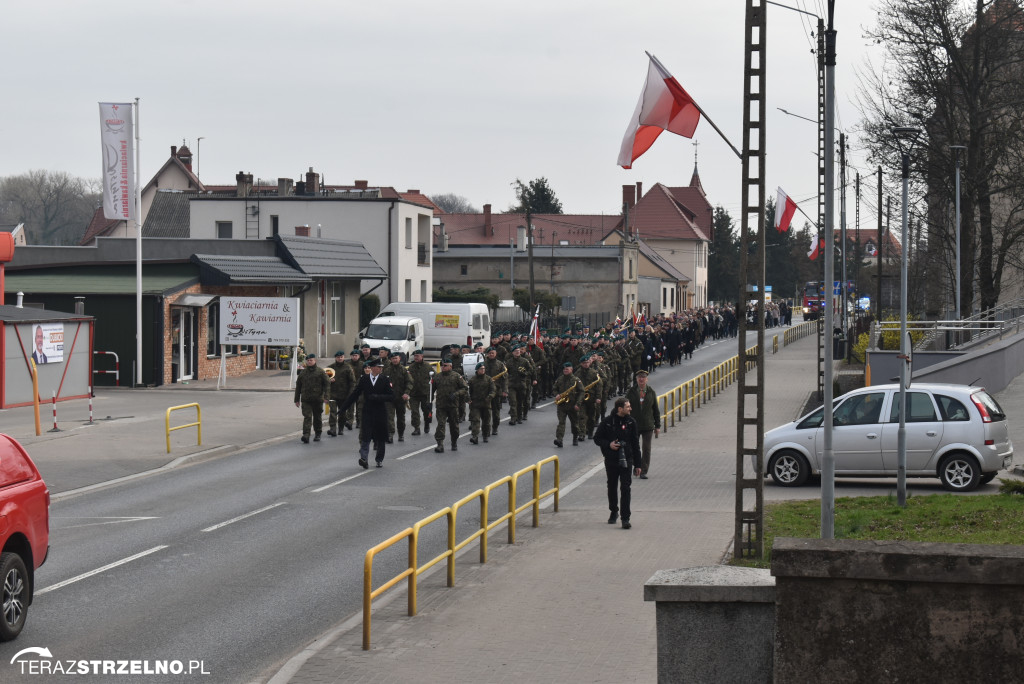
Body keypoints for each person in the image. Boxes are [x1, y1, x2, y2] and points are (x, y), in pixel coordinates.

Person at [593, 397, 642, 529]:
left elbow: (636, 444)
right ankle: (613, 510)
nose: (630, 409)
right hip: (611, 460)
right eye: (628, 407)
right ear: (620, 409)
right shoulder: (608, 422)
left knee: (626, 488)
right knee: (612, 486)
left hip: (627, 459)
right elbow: (597, 438)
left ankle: (625, 518)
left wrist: (638, 464)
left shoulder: (631, 422)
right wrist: (609, 445)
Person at [338, 358, 396, 469]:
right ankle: (364, 458)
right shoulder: (364, 379)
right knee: (366, 436)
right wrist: (343, 408)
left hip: (380, 412)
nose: (381, 369)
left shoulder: (384, 379)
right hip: (368, 411)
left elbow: (391, 396)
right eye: (379, 367)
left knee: (380, 437)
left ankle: (379, 459)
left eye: (381, 367)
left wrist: (378, 397)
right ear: (373, 368)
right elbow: (355, 394)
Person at [625, 369, 660, 479]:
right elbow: (625, 408)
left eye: (643, 377)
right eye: (639, 377)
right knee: (633, 448)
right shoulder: (631, 392)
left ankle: (644, 471)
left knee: (646, 449)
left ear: (646, 379)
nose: (641, 379)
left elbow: (656, 410)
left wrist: (657, 425)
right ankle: (636, 468)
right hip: (633, 425)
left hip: (648, 425)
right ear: (636, 379)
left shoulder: (651, 392)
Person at [432, 357, 467, 452]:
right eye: (442, 365)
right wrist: (429, 402)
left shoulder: (456, 376)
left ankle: (454, 442)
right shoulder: (437, 377)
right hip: (441, 405)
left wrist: (456, 394)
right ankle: (440, 444)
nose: (443, 367)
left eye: (445, 366)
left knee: (454, 425)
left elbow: (464, 388)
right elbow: (431, 390)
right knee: (441, 424)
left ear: (450, 366)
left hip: (453, 405)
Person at [293, 354, 330, 444]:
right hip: (306, 399)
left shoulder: (320, 372)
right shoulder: (303, 373)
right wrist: (296, 399)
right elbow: (298, 386)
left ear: (315, 361)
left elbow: (327, 384)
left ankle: (318, 433)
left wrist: (326, 397)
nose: (309, 362)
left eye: (311, 360)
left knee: (317, 417)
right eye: (308, 360)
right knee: (307, 417)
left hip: (317, 399)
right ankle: (306, 435)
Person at [383, 352, 413, 442]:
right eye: (393, 359)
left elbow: (409, 382)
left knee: (401, 417)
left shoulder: (404, 370)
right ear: (390, 360)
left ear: (399, 358)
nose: (394, 360)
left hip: (400, 398)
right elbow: (382, 382)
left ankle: (401, 434)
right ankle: (390, 434)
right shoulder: (386, 370)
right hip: (389, 398)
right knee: (389, 417)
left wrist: (406, 393)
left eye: (396, 358)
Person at [551, 362, 582, 448]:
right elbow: (554, 388)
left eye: (567, 369)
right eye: (564, 369)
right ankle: (559, 440)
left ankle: (575, 437)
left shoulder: (576, 380)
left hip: (573, 405)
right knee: (561, 422)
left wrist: (578, 403)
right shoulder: (560, 379)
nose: (565, 370)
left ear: (571, 370)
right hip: (562, 405)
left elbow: (581, 392)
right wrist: (556, 394)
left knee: (574, 423)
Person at [327, 350, 356, 437]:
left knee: (342, 413)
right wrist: (329, 380)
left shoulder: (348, 368)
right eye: (338, 357)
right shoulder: (330, 368)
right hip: (332, 394)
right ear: (335, 358)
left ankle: (341, 428)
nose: (340, 358)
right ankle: (332, 429)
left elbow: (352, 382)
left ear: (343, 357)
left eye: (341, 357)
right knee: (332, 412)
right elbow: (324, 380)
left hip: (344, 395)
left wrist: (350, 394)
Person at [467, 362, 496, 444]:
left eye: (483, 369)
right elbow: (468, 391)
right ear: (477, 370)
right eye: (481, 369)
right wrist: (468, 399)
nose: (483, 370)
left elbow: (493, 390)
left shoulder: (488, 379)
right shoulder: (472, 380)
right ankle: (475, 437)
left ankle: (485, 435)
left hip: (486, 404)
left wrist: (489, 397)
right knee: (475, 420)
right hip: (475, 404)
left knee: (486, 422)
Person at [406, 349, 433, 435]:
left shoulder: (428, 366)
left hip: (425, 393)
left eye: (417, 356)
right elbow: (408, 380)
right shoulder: (411, 367)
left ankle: (427, 424)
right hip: (414, 393)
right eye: (415, 356)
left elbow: (434, 378)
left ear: (422, 356)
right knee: (414, 411)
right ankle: (416, 428)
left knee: (426, 411)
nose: (416, 357)